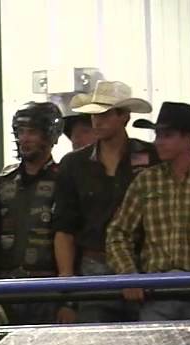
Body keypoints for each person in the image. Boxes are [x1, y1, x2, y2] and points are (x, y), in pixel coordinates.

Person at [51, 80, 157, 323]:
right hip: (94, 265)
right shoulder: (73, 165)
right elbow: (64, 228)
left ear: (124, 117)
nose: (97, 121)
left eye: (106, 114)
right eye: (93, 115)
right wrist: (67, 288)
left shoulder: (152, 157)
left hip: (144, 263)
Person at [107, 101, 190, 321]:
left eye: (167, 135)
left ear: (189, 138)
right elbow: (118, 233)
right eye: (158, 135)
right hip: (157, 291)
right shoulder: (146, 180)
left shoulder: (146, 180)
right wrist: (129, 274)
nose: (159, 142)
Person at [0, 102, 63, 324]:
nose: (24, 138)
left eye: (32, 132)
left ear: (50, 135)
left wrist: (67, 300)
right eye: (20, 132)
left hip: (48, 288)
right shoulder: (3, 181)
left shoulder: (64, 179)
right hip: (7, 287)